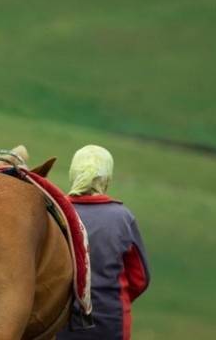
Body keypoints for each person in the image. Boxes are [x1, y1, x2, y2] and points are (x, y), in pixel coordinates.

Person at [58, 145, 150, 340]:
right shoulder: (123, 218)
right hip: (112, 323)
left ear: (73, 174)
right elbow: (139, 279)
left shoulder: (57, 214)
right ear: (107, 178)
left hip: (61, 324)